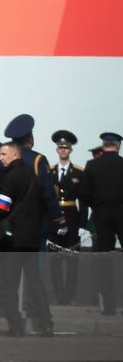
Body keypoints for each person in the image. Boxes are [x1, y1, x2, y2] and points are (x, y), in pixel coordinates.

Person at [0, 140, 53, 336]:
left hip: (13, 240)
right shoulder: (34, 177)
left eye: (3, 155)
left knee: (10, 283)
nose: (0, 159)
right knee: (35, 282)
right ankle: (46, 323)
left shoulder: (9, 177)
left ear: (15, 155)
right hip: (32, 238)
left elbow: (2, 207)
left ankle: (15, 325)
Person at [81, 131, 123, 316]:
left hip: (101, 214)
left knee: (104, 260)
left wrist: (97, 205)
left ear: (104, 145)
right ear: (118, 146)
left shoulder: (92, 165)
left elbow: (83, 192)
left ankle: (109, 305)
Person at [50, 129, 87, 305]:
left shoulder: (79, 172)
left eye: (66, 147)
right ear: (57, 150)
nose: (63, 150)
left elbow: (84, 200)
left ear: (71, 150)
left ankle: (68, 296)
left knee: (72, 260)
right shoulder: (49, 171)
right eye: (60, 147)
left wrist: (82, 224)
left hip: (72, 218)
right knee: (54, 260)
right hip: (54, 220)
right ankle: (58, 295)